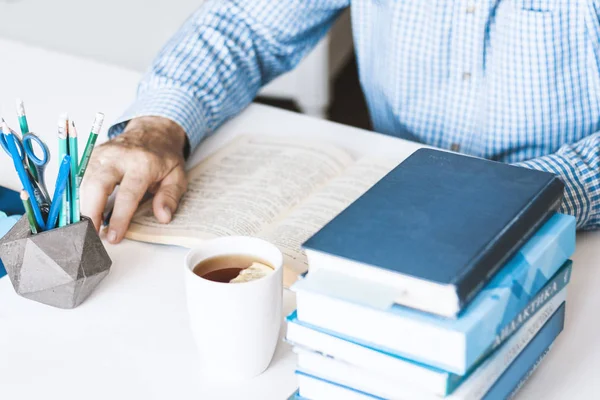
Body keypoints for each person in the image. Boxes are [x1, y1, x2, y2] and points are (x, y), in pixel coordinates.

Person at [81, 0, 600, 244]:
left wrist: (536, 197)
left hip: (572, 236)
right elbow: (247, 24)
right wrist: (157, 128)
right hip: (391, 216)